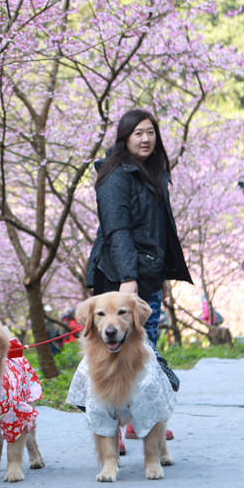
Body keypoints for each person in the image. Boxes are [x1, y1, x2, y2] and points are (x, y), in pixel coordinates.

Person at [85, 108, 193, 440]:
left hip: (149, 274)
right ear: (125, 138)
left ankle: (141, 420)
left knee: (146, 350)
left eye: (150, 132)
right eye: (138, 133)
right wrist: (128, 278)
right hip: (119, 278)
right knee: (111, 355)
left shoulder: (153, 172)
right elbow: (117, 230)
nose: (146, 139)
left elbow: (159, 230)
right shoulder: (115, 175)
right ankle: (111, 429)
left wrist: (161, 272)